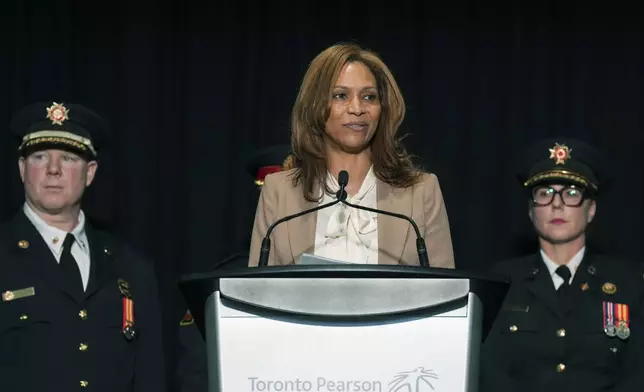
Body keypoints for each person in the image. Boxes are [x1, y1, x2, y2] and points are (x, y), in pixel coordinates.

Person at [0, 101, 166, 391]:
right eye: (39, 157)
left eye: (67, 158)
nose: (53, 169)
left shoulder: (131, 267)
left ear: (89, 173)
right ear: (22, 169)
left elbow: (150, 377)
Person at [249, 43, 454, 267]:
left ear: (382, 108)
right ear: (314, 105)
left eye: (369, 97)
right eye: (340, 95)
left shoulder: (422, 192)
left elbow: (446, 295)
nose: (357, 108)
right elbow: (257, 294)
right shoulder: (279, 192)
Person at [481, 137, 644, 392]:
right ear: (531, 211)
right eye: (544, 193)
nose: (557, 204)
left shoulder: (630, 284)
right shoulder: (499, 283)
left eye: (571, 193)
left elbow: (637, 374)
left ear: (591, 210)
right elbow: (489, 374)